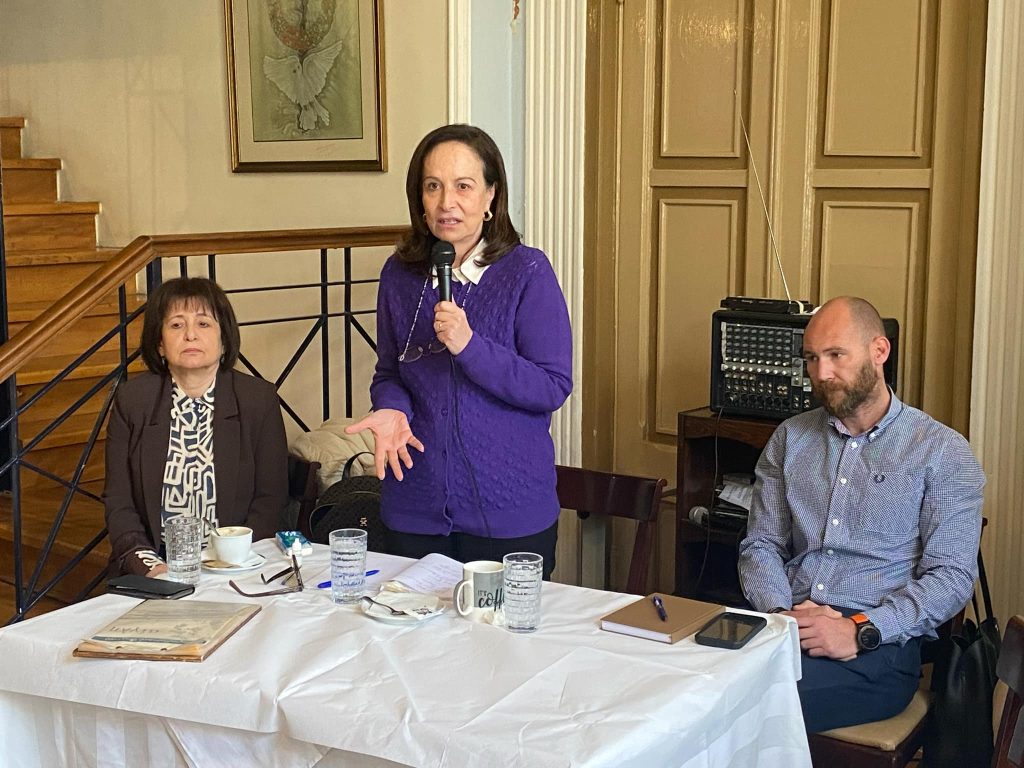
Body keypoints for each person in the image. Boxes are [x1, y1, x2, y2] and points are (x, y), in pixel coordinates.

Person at [738, 296, 984, 733]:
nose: (821, 373)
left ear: (879, 351)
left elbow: (951, 577)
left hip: (878, 646)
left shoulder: (942, 451)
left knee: (742, 704)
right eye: (811, 358)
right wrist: (782, 614)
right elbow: (761, 544)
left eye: (836, 355)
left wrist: (860, 629)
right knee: (691, 680)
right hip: (786, 623)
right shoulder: (790, 438)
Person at [345, 124, 573, 576]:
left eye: (463, 186)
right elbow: (390, 371)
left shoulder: (528, 271)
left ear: (491, 196)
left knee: (502, 625)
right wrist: (391, 408)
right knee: (406, 623)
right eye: (433, 187)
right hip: (414, 504)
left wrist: (470, 347)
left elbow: (552, 386)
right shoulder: (399, 274)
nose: (447, 202)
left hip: (508, 513)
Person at [104, 277, 288, 576]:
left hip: (237, 564)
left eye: (203, 324)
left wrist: (230, 561)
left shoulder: (257, 400)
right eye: (176, 325)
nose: (190, 335)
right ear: (160, 343)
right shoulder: (133, 400)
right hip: (156, 564)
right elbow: (119, 501)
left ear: (224, 339)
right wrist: (151, 567)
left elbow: (271, 499)